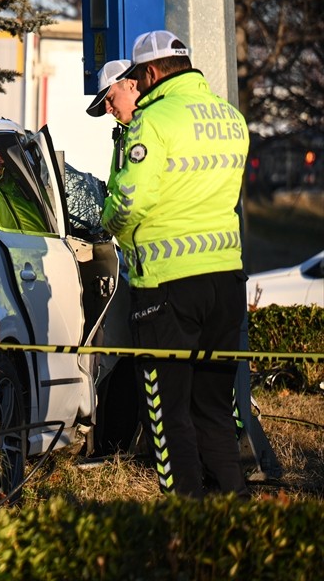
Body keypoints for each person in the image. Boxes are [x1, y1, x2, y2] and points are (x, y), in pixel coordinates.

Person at [100, 29, 250, 498]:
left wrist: (114, 228)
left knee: (168, 411)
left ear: (149, 73)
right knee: (215, 408)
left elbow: (129, 202)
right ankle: (238, 506)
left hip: (167, 285)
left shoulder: (153, 120)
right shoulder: (232, 117)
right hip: (227, 280)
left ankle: (185, 519)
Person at [86, 58, 141, 186]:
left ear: (131, 85)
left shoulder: (152, 128)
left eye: (110, 98)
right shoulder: (126, 133)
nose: (108, 109)